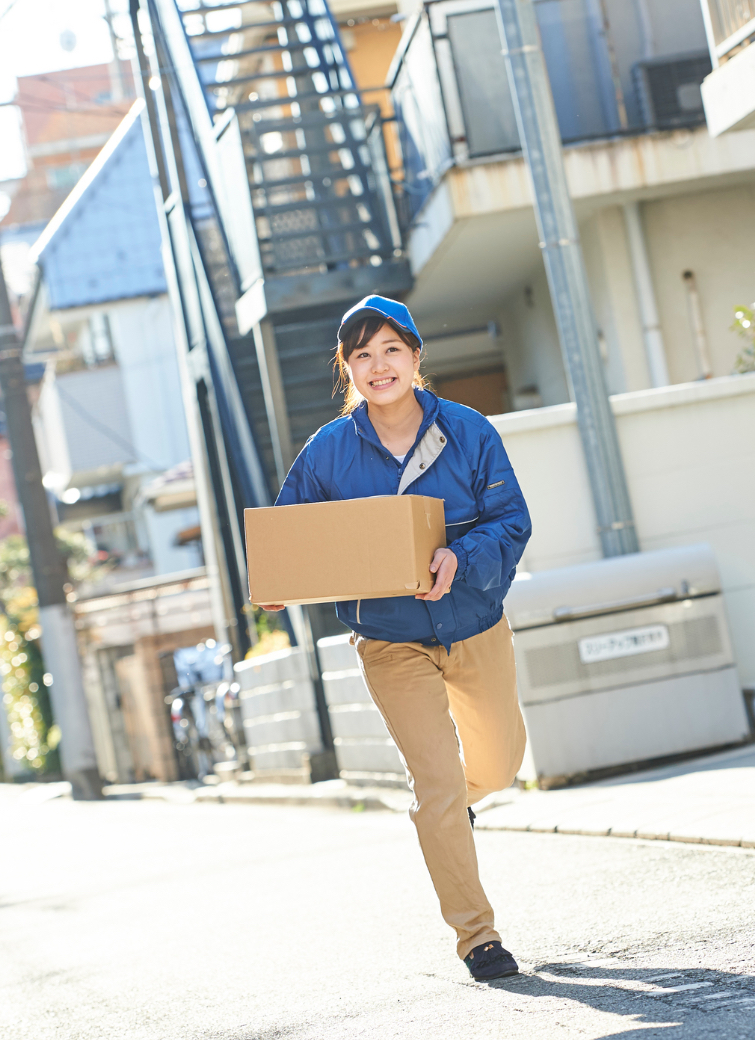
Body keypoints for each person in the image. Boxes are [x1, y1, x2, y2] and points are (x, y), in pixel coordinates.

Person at [260, 295, 531, 981]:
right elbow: (292, 542)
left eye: (390, 350)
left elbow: (510, 520)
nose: (378, 366)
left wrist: (459, 559)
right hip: (389, 640)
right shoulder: (327, 453)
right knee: (436, 785)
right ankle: (478, 937)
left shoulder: (469, 433)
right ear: (347, 368)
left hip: (474, 623)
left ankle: (449, 812)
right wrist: (280, 583)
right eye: (362, 355)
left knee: (497, 767)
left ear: (414, 356)